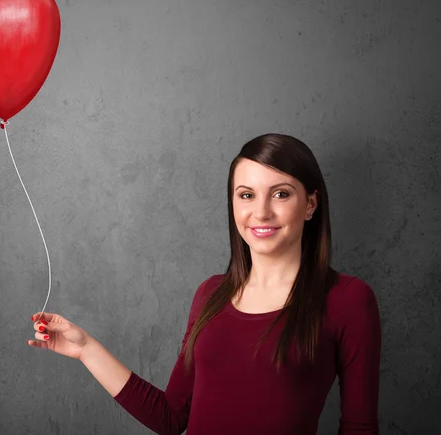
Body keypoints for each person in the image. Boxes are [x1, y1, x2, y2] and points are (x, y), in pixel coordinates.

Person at [27, 133, 382, 435]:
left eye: (280, 194)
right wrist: (85, 348)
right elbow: (170, 417)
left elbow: (359, 429)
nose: (261, 212)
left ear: (310, 204)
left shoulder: (347, 299)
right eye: (246, 195)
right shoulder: (211, 293)